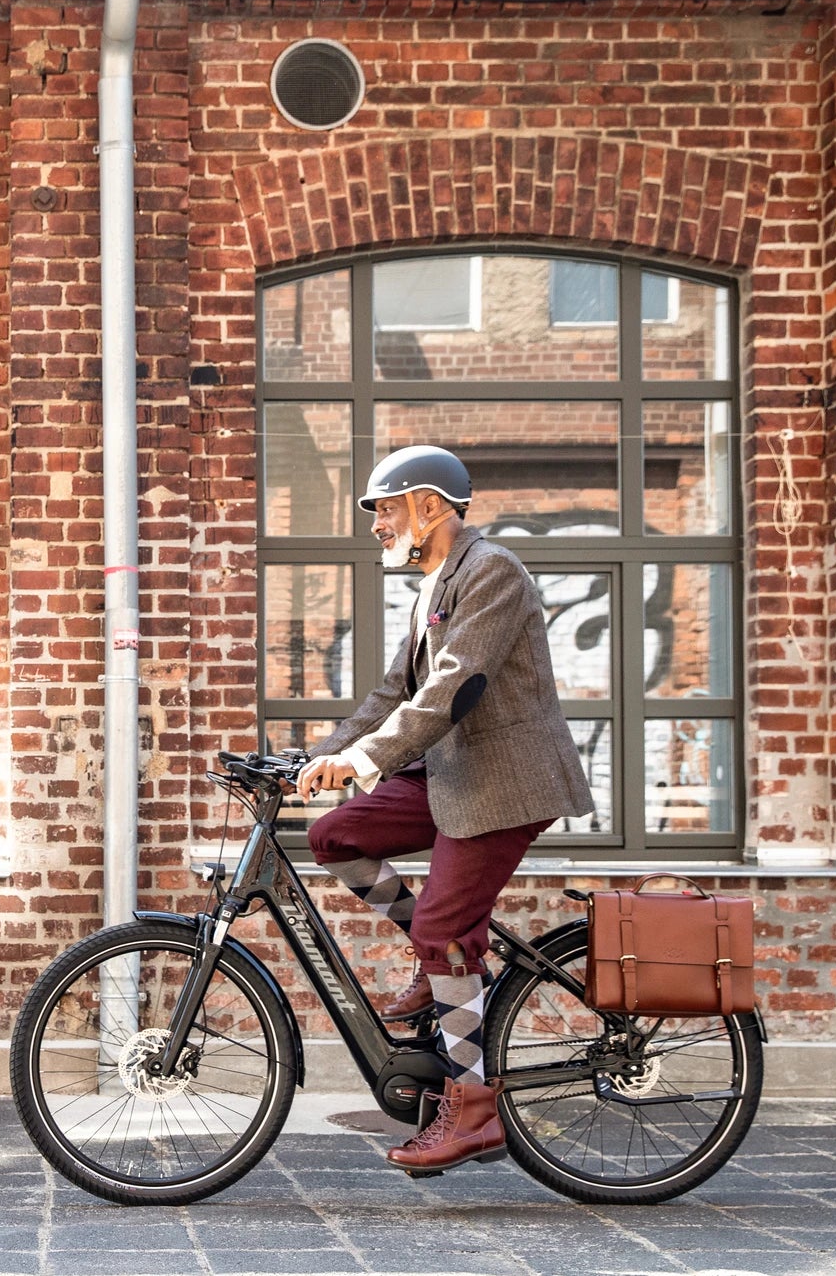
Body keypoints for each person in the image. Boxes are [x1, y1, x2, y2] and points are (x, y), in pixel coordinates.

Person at [295, 444, 592, 1174]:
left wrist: (363, 761)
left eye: (386, 508)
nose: (377, 523)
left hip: (503, 782)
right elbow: (393, 694)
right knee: (336, 835)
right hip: (451, 772)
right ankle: (449, 954)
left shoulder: (493, 571)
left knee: (438, 924)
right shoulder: (436, 585)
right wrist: (318, 758)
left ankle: (474, 1106)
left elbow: (450, 689)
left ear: (431, 505)